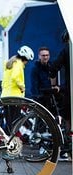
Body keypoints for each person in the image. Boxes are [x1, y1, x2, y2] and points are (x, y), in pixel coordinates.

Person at [1, 45, 34, 135]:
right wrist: (22, 86)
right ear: (25, 58)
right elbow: (16, 77)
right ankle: (10, 141)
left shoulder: (11, 63)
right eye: (27, 61)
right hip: (14, 97)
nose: (27, 63)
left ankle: (8, 141)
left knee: (9, 123)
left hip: (6, 96)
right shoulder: (18, 64)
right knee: (14, 122)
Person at [49, 29, 71, 161]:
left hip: (70, 91)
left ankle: (68, 150)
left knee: (67, 119)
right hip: (69, 90)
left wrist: (54, 87)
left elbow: (53, 69)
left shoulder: (66, 50)